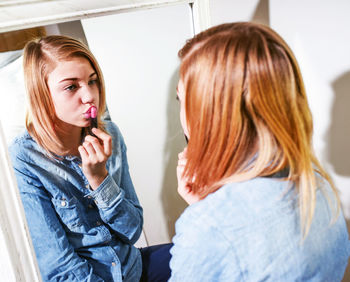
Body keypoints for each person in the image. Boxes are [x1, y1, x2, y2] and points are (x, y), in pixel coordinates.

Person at [170, 22, 350, 281]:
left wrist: (205, 213)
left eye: (183, 99)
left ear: (212, 112)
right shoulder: (321, 187)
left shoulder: (207, 229)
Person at [9, 35, 171, 282]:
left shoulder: (110, 133)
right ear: (42, 94)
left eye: (92, 81)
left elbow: (132, 231)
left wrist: (100, 180)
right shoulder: (23, 160)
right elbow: (58, 266)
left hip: (133, 268)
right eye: (71, 86)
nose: (89, 96)